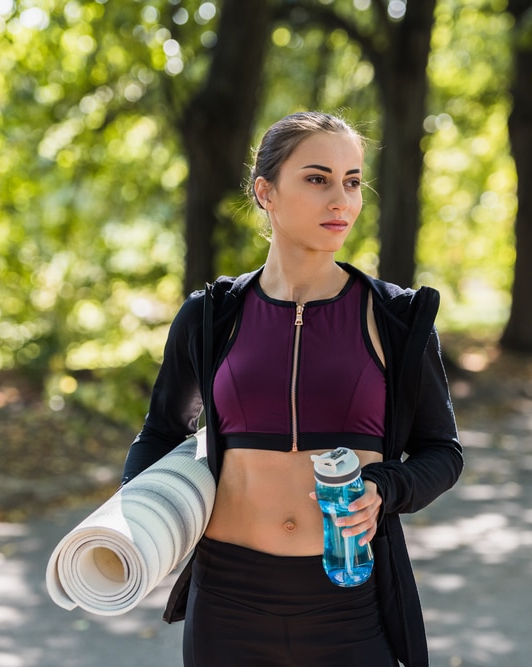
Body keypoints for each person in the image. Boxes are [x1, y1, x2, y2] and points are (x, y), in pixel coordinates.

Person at [120, 111, 463, 667]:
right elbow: (161, 432)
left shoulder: (395, 318)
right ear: (266, 192)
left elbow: (442, 452)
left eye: (352, 182)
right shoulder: (210, 317)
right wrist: (135, 518)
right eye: (317, 178)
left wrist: (384, 487)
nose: (341, 201)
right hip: (227, 601)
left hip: (347, 601)